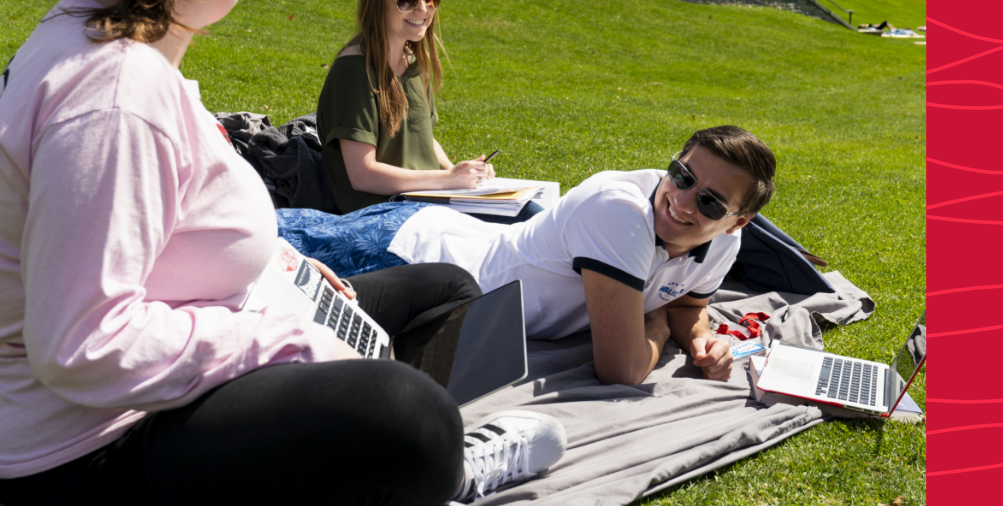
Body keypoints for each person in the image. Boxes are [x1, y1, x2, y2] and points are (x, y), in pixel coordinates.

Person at [0, 0, 564, 506]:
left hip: (215, 328)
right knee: (414, 420)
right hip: (91, 445)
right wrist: (283, 342)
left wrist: (279, 266)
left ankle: (370, 459)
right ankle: (430, 466)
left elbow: (158, 224)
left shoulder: (95, 32)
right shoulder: (118, 99)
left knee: (446, 289)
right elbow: (79, 346)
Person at [278, 125, 777, 387]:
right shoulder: (620, 213)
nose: (683, 200)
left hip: (448, 256)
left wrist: (702, 342)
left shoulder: (723, 243)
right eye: (682, 175)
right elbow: (621, 368)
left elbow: (690, 305)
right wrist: (659, 327)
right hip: (406, 255)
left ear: (738, 222)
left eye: (710, 201)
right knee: (250, 239)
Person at [317, 0, 495, 215]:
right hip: (380, 216)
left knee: (530, 215)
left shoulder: (414, 63)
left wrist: (463, 172)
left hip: (428, 202)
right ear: (377, 2)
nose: (423, 8)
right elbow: (362, 174)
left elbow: (423, 139)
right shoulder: (354, 71)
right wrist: (447, 180)